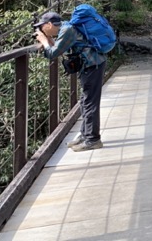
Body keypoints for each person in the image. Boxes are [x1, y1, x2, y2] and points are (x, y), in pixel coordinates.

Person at [34, 10, 107, 151]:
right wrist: (50, 41)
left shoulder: (67, 30)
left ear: (49, 24)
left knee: (90, 102)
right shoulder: (66, 27)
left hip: (93, 66)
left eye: (42, 27)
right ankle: (85, 134)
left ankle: (93, 139)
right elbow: (61, 47)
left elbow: (52, 54)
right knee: (85, 101)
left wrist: (44, 41)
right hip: (91, 65)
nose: (41, 30)